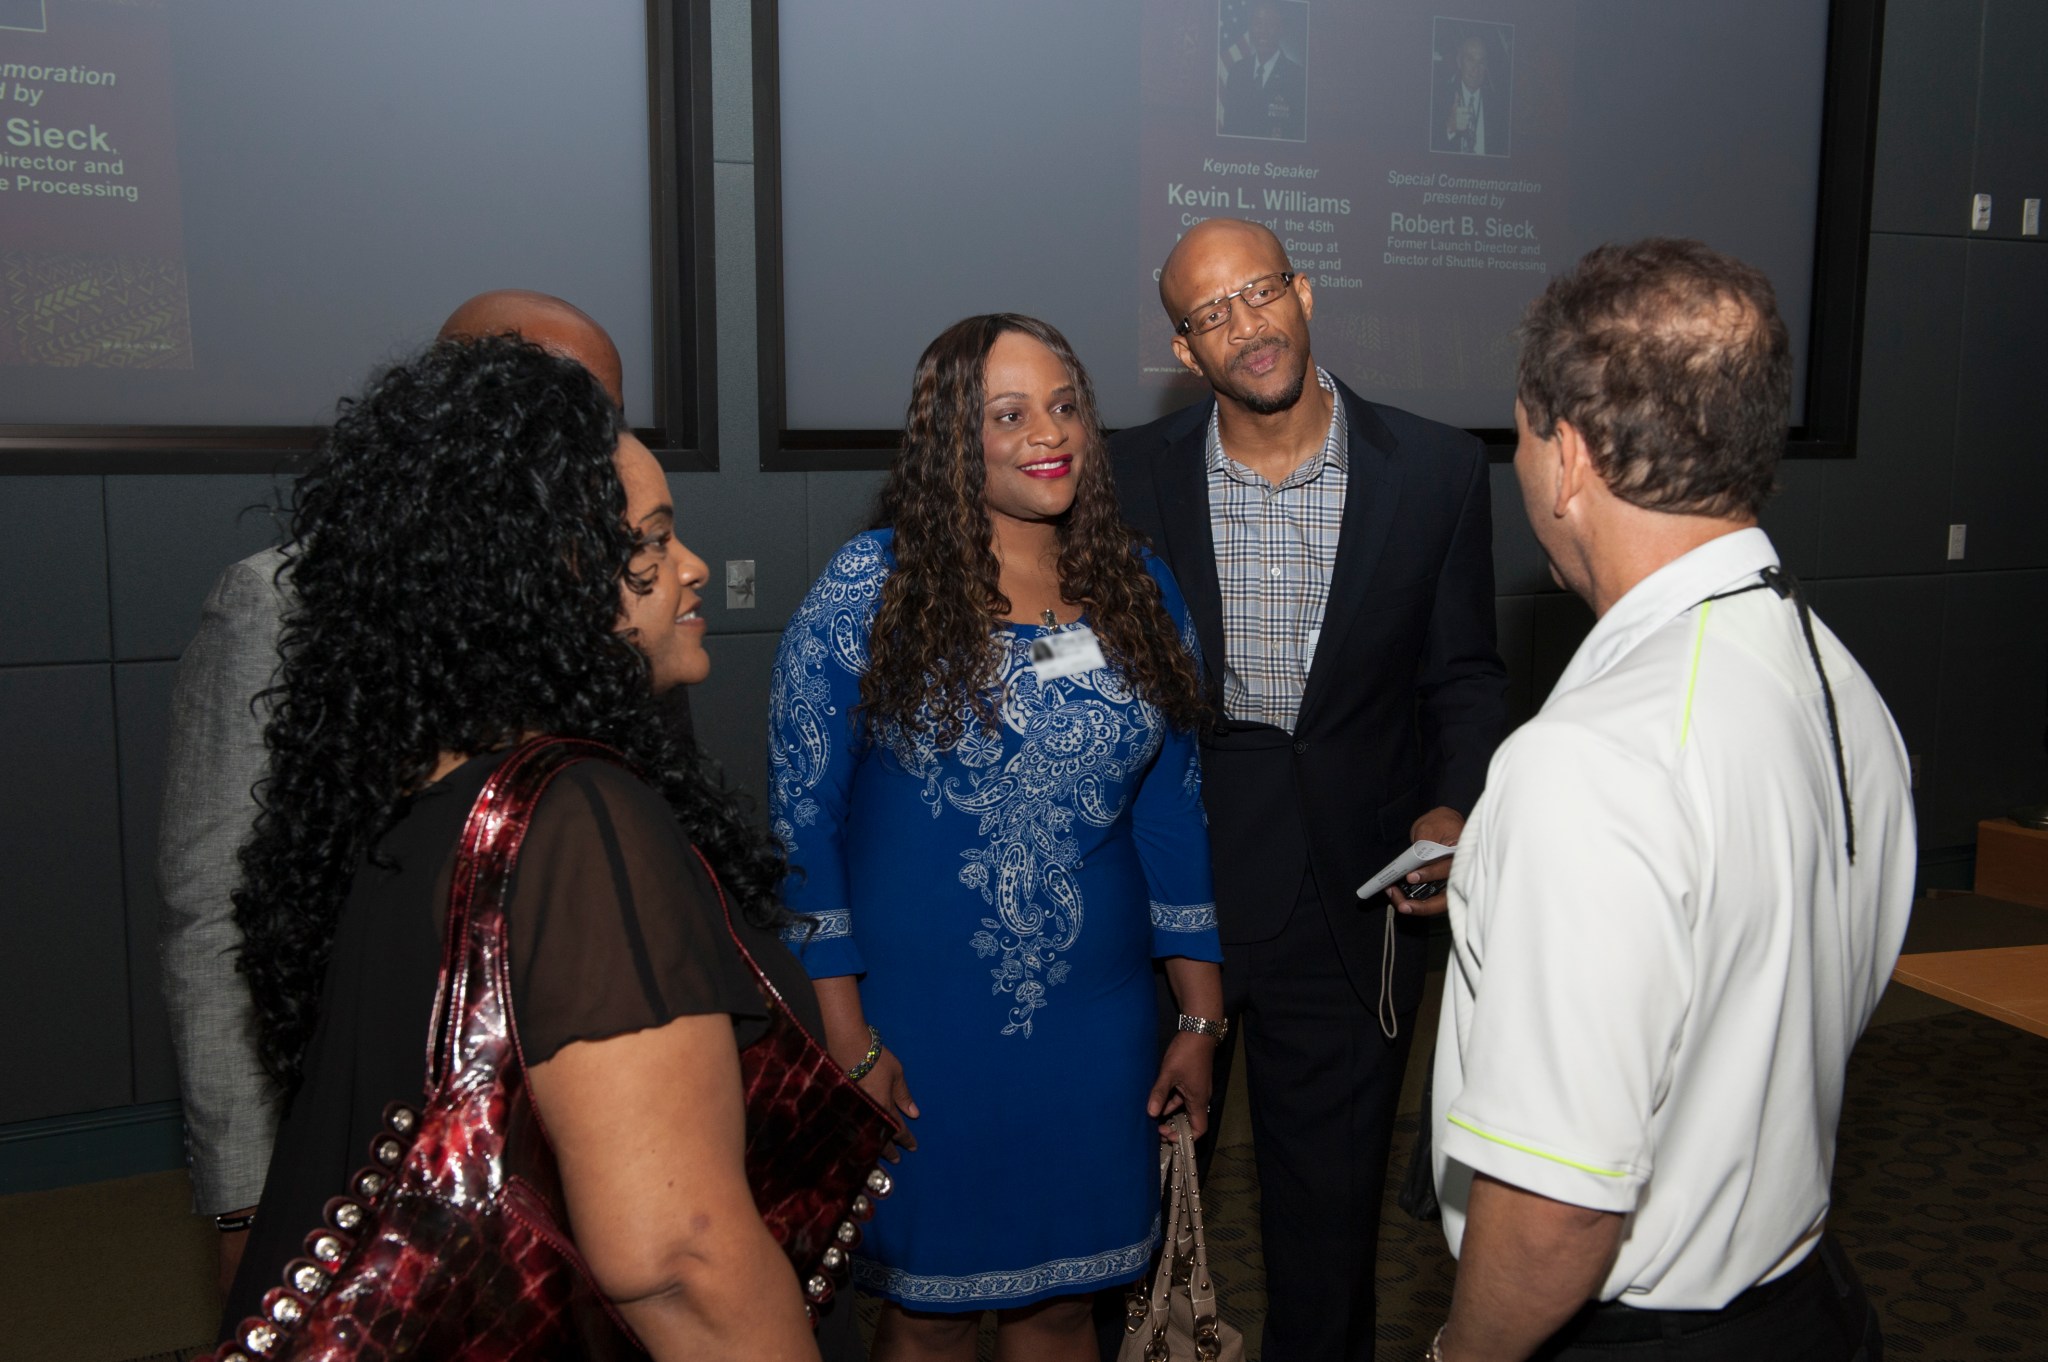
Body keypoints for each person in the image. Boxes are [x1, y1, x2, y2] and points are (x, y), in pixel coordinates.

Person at [219, 335, 845, 1358]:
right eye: (650, 543)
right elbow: (679, 1264)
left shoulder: (405, 789)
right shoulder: (575, 820)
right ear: (549, 581)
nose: (691, 570)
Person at [1426, 238, 1913, 1362]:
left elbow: (1557, 1214)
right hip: (1802, 1304)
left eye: (1519, 433)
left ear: (1569, 457)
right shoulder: (1833, 676)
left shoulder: (1590, 760)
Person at [154, 290, 690, 1298]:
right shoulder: (282, 600)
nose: (583, 435)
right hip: (377, 1118)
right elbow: (213, 913)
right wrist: (239, 1194)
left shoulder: (622, 594)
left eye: (604, 413)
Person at [768, 314, 1224, 1359]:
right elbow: (802, 818)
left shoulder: (1137, 589)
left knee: (1066, 1307)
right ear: (948, 438)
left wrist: (1199, 1022)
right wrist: (846, 1035)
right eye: (1007, 414)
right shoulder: (867, 588)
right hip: (915, 1030)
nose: (1045, 434)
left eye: (1064, 406)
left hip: (1097, 1027)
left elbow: (1172, 811)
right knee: (927, 1312)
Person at [1110, 218, 1508, 1362]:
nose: (1246, 325)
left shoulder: (1430, 467)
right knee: (1130, 1225)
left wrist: (1449, 807)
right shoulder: (1130, 477)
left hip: (1355, 904)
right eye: (1211, 313)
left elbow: (1465, 676)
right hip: (1171, 901)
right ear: (1185, 351)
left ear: (1305, 293)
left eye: (1260, 291)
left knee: (1325, 1243)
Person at [1221, 0, 1306, 141]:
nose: (1263, 31)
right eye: (1258, 23)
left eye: (1270, 24)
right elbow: (1229, 128)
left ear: (1281, 28)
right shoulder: (1237, 72)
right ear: (1251, 28)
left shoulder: (1297, 77)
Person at [1431, 32, 1509, 157]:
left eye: (1481, 62)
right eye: (1470, 59)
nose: (1476, 68)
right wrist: (1449, 129)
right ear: (1459, 62)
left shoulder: (1499, 105)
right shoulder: (1438, 98)